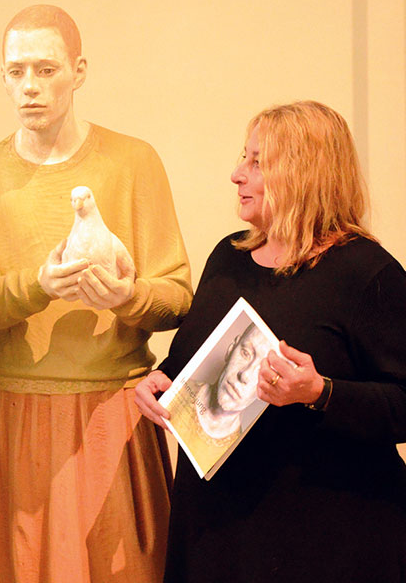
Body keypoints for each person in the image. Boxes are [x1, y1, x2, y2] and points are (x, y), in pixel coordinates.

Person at [0, 4, 192, 583]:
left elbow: (178, 293)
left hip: (116, 409)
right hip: (26, 413)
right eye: (16, 72)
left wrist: (125, 296)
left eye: (46, 69)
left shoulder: (133, 161)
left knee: (127, 569)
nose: (29, 88)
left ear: (79, 71)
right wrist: (35, 286)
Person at [135, 100, 406, 582]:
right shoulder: (228, 256)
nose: (237, 174)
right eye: (245, 156)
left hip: (324, 540)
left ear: (305, 172)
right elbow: (188, 361)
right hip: (219, 531)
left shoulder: (368, 275)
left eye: (258, 161)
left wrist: (320, 393)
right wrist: (160, 383)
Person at [166, 322, 275, 470]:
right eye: (246, 353)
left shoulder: (242, 456)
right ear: (231, 349)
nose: (245, 375)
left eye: (263, 372)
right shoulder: (172, 391)